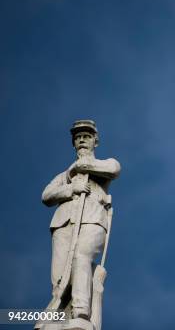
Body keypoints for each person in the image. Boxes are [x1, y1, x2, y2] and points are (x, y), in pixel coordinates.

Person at [42, 120, 120, 320]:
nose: (82, 140)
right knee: (59, 277)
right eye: (78, 137)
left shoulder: (103, 164)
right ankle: (59, 314)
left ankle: (81, 311)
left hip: (92, 219)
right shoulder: (64, 176)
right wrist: (71, 188)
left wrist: (83, 165)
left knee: (81, 257)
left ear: (96, 141)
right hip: (64, 223)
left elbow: (114, 169)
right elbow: (47, 196)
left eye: (87, 136)